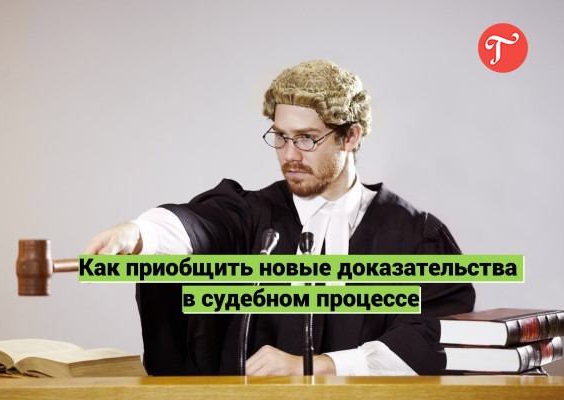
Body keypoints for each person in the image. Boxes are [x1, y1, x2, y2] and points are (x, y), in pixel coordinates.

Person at [84, 60, 475, 376]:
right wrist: (138, 233)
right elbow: (202, 225)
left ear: (351, 136)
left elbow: (434, 337)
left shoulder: (416, 237)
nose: (289, 155)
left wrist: (321, 366)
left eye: (307, 138)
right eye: (280, 136)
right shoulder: (253, 215)